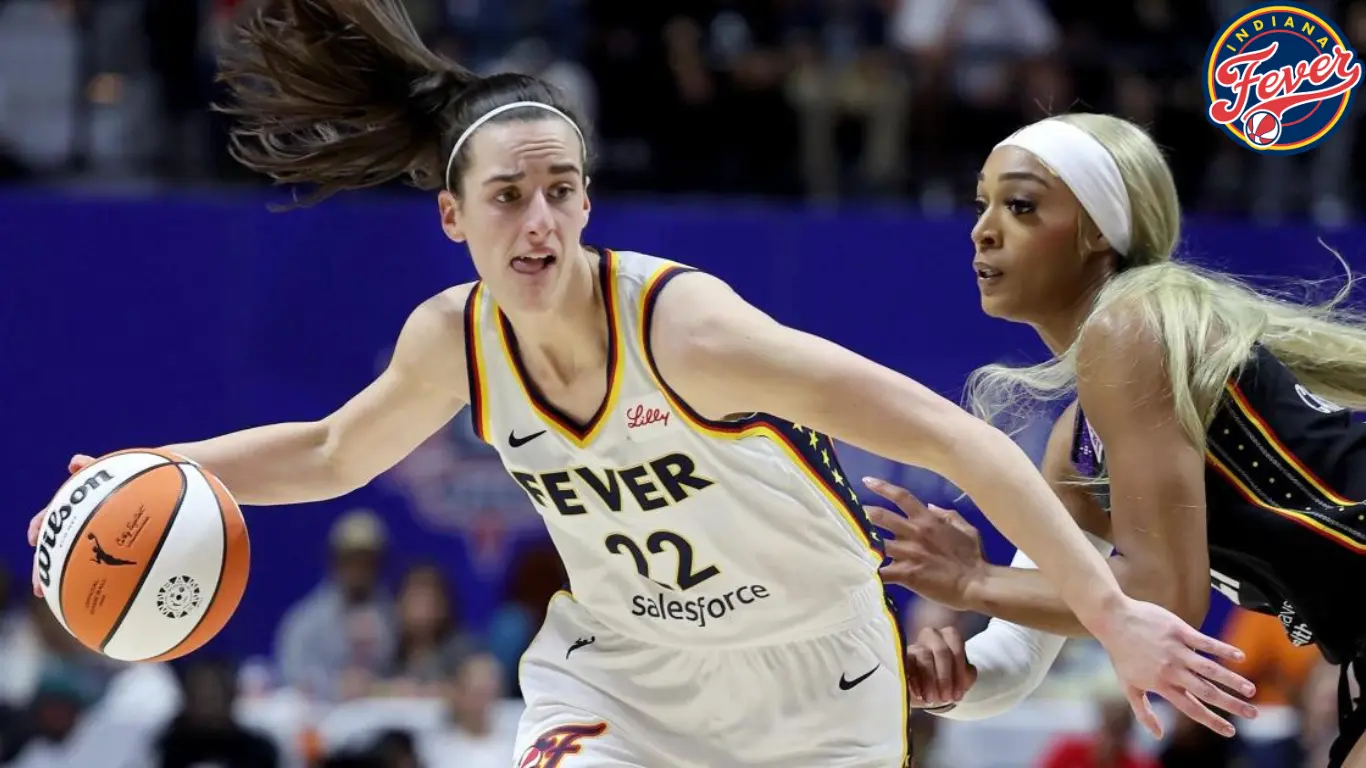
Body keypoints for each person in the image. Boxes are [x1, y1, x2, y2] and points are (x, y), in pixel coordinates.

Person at [28, 3, 1250, 764]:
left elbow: (952, 440)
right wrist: (155, 471)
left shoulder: (685, 326)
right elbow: (332, 451)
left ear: (589, 200)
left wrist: (1110, 615)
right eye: (510, 197)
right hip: (616, 673)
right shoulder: (453, 338)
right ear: (454, 218)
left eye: (562, 188)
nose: (542, 218)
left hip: (815, 680)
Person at [865, 112, 1366, 766]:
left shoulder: (1133, 328)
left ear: (1099, 229)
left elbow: (1163, 596)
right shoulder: (1077, 448)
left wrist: (974, 578)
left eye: (1019, 206)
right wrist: (940, 683)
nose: (982, 229)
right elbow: (1017, 656)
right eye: (981, 203)